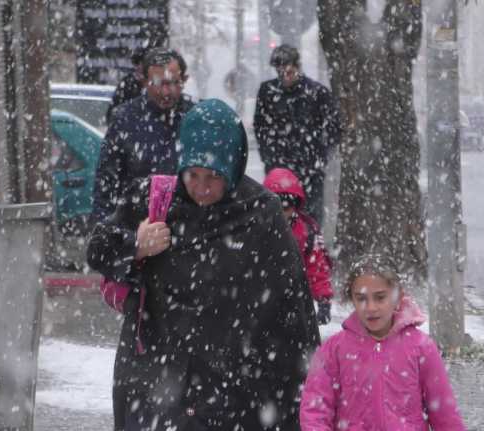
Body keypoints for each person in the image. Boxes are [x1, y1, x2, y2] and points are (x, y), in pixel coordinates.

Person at [87, 98, 320, 431]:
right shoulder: (156, 199)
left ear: (233, 166)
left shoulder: (261, 212)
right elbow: (97, 249)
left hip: (237, 389)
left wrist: (306, 394)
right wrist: (136, 246)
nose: (200, 187)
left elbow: (294, 312)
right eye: (192, 173)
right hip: (159, 383)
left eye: (213, 176)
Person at [300, 254, 466, 431]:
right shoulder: (333, 349)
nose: (371, 307)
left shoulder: (421, 348)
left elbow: (444, 413)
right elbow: (315, 411)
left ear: (398, 296)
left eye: (380, 298)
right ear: (352, 299)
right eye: (361, 298)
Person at [91, 47, 193, 227]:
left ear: (184, 80)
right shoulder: (125, 119)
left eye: (173, 82)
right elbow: (107, 180)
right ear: (144, 82)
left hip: (186, 229)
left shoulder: (194, 118)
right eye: (158, 83)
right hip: (136, 228)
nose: (166, 92)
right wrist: (103, 232)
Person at [253, 44, 341, 226]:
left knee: (310, 222)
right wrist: (269, 157)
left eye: (289, 69)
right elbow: (260, 127)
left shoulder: (317, 93)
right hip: (280, 172)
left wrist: (319, 158)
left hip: (309, 171)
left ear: (297, 66)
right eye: (281, 70)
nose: (285, 74)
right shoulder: (268, 92)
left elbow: (334, 129)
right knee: (279, 222)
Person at [263, 167, 333, 325]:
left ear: (295, 205)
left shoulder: (307, 233)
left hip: (297, 297)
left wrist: (323, 301)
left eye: (286, 204)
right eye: (276, 204)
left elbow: (317, 268)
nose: (281, 210)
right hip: (263, 297)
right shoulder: (257, 228)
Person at [105, 46, 148, 124]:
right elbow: (112, 114)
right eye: (136, 63)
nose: (139, 67)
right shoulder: (127, 84)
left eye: (143, 63)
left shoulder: (157, 84)